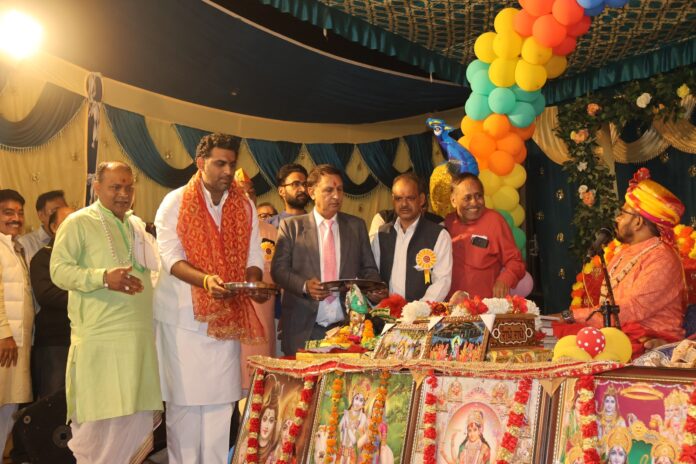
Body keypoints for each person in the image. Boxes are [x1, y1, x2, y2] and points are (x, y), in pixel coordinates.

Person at [153, 133, 267, 464]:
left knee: (220, 409)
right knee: (185, 411)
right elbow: (170, 258)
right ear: (201, 163)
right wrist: (205, 280)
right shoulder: (175, 202)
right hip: (182, 321)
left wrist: (252, 283)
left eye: (232, 164)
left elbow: (254, 255)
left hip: (225, 319)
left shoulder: (243, 205)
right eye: (220, 164)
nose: (228, 171)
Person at [50, 162, 162, 463]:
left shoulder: (136, 226)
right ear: (97, 188)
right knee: (99, 427)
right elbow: (58, 271)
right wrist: (102, 278)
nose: (124, 193)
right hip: (101, 345)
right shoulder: (78, 222)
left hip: (139, 343)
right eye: (115, 187)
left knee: (133, 423)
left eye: (129, 187)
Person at [271, 164, 381, 355]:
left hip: (347, 328)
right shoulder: (291, 227)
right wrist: (304, 286)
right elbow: (278, 270)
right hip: (303, 328)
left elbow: (369, 269)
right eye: (329, 190)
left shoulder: (356, 226)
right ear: (312, 192)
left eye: (340, 189)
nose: (336, 196)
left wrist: (373, 289)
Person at [567, 168, 686, 341]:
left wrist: (573, 316)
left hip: (652, 342)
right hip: (619, 336)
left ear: (638, 222)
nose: (617, 219)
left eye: (623, 214)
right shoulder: (624, 253)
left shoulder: (662, 258)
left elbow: (632, 308)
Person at [371, 172, 452, 302]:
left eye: (410, 198)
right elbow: (373, 274)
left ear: (422, 199)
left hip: (423, 312)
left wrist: (418, 309)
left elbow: (442, 281)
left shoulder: (439, 235)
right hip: (387, 312)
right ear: (393, 200)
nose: (404, 204)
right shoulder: (381, 235)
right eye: (399, 198)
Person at [445, 173, 525, 298]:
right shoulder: (448, 223)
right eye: (467, 198)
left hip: (485, 304)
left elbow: (516, 262)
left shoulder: (495, 221)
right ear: (453, 201)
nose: (474, 202)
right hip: (452, 304)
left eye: (479, 196)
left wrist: (504, 280)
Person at [235, 168, 277, 388]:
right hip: (233, 320)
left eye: (250, 191)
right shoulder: (222, 230)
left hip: (263, 317)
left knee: (260, 385)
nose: (247, 196)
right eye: (240, 191)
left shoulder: (271, 232)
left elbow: (280, 276)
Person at [29, 206, 74, 399]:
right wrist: (84, 297)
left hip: (82, 339)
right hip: (54, 342)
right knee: (53, 401)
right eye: (67, 223)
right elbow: (46, 294)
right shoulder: (43, 257)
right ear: (54, 227)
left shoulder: (84, 257)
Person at [0, 189, 33, 449]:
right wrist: (4, 334)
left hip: (16, 345)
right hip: (5, 344)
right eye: (8, 212)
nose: (16, 218)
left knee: (8, 410)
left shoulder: (13, 247)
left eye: (20, 213)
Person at [18, 190, 67, 262]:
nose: (63, 216)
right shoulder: (25, 243)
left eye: (65, 211)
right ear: (41, 216)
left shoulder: (73, 239)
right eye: (55, 211)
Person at [338, 377, 370, 464]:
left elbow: (356, 439)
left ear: (363, 404)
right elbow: (339, 429)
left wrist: (349, 427)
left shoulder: (362, 417)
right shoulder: (346, 414)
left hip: (354, 451)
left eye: (361, 400)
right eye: (356, 398)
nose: (357, 403)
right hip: (341, 449)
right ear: (352, 399)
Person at [269, 164, 310, 228]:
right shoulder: (270, 225)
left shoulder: (319, 221)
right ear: (281, 191)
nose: (303, 189)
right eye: (295, 184)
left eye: (305, 184)